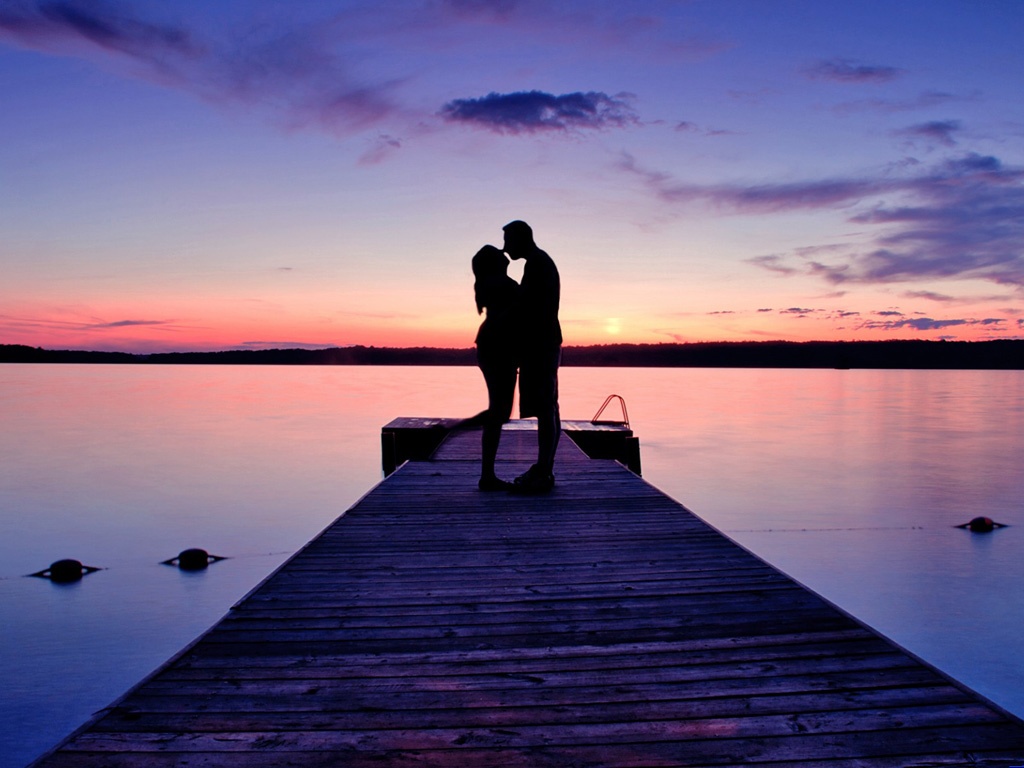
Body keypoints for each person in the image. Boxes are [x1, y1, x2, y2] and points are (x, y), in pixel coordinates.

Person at [502, 220, 561, 494]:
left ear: (520, 239)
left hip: (540, 344)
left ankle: (544, 472)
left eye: (508, 241)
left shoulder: (538, 264)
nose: (505, 248)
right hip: (542, 343)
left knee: (546, 408)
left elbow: (528, 307)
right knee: (548, 407)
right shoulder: (539, 262)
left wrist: (507, 287)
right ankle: (543, 468)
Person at [460, 245, 521, 491]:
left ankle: (487, 475)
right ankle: (456, 429)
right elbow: (517, 312)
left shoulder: (488, 284)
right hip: (499, 348)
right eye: (499, 253)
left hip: (490, 346)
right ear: (495, 262)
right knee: (499, 412)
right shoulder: (503, 284)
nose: (504, 252)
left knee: (498, 412)